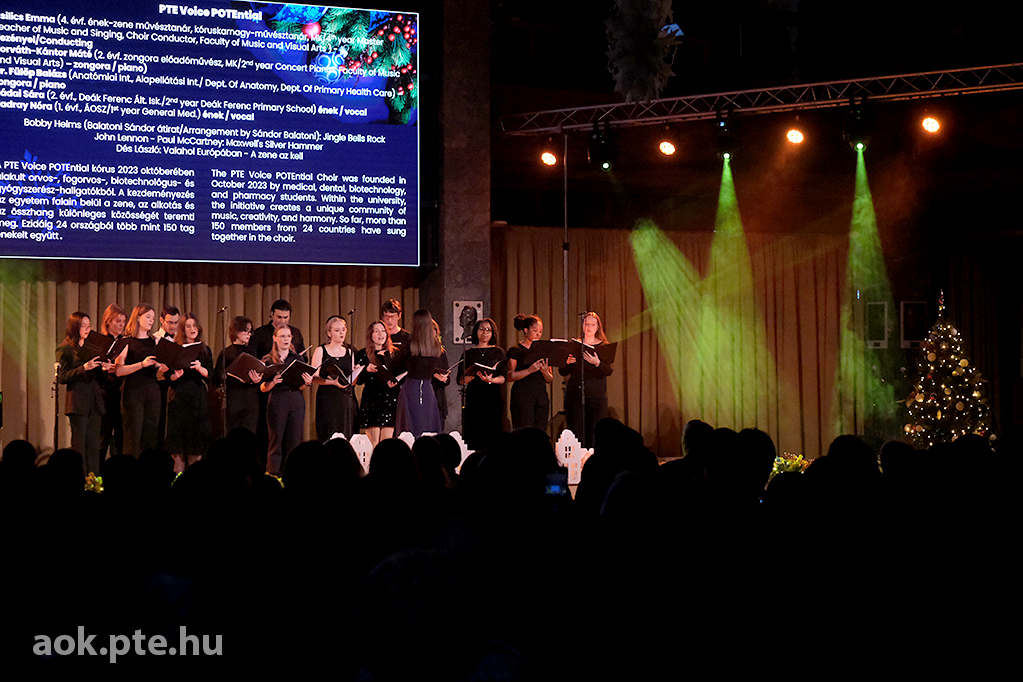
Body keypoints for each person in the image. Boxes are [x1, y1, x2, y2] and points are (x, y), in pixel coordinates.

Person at [56, 311, 111, 474]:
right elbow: (62, 377)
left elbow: (97, 377)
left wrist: (104, 368)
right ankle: (79, 479)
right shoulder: (65, 348)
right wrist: (83, 368)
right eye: (84, 326)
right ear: (75, 327)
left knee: (94, 445)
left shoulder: (91, 348)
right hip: (78, 403)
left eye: (89, 326)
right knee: (79, 446)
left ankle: (94, 480)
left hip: (95, 402)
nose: (88, 329)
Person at [115, 304, 169, 457]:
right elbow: (119, 370)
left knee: (150, 437)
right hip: (133, 392)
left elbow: (159, 367)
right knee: (133, 437)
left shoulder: (155, 341)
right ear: (138, 318)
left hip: (152, 391)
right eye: (148, 317)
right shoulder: (127, 342)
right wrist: (141, 364)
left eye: (153, 318)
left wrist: (162, 367)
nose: (151, 320)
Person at [260, 324, 313, 476]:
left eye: (288, 336)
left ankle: (294, 473)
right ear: (274, 338)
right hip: (278, 399)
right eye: (282, 336)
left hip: (296, 400)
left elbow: (301, 385)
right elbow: (262, 387)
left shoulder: (297, 359)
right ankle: (273, 473)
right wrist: (273, 382)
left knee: (295, 439)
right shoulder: (268, 360)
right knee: (276, 439)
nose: (286, 339)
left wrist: (307, 382)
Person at [165, 313, 214, 468]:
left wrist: (200, 368)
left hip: (197, 397)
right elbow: (167, 376)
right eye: (188, 326)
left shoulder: (204, 349)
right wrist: (175, 375)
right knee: (178, 444)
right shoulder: (174, 348)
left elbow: (212, 376)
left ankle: (194, 477)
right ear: (182, 329)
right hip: (178, 396)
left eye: (195, 325)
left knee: (196, 442)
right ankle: (178, 478)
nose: (192, 329)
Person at [560, 312, 613, 448]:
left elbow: (608, 371)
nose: (589, 327)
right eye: (586, 324)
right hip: (575, 395)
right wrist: (567, 363)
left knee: (594, 431)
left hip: (595, 396)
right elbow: (563, 371)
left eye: (592, 324)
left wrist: (597, 363)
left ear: (598, 327)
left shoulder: (604, 346)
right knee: (576, 430)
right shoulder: (574, 345)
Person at [395, 309, 450, 438]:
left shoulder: (410, 345)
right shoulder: (436, 347)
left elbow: (396, 363)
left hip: (411, 387)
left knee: (410, 426)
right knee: (427, 423)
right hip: (427, 388)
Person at [457, 318, 506, 452]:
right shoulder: (468, 353)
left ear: (493, 333)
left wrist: (491, 380)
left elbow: (503, 377)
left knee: (493, 433)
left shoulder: (498, 352)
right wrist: (473, 376)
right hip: (474, 396)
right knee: (474, 434)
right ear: (476, 331)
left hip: (493, 396)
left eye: (488, 330)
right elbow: (460, 380)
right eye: (482, 329)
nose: (485, 333)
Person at [311, 315, 358, 441]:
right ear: (329, 333)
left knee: (346, 434)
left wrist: (356, 372)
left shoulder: (350, 352)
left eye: (343, 329)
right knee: (329, 434)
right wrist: (331, 382)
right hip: (327, 399)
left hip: (345, 399)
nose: (341, 333)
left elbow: (352, 381)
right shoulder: (321, 350)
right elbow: (314, 378)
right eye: (337, 330)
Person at [356, 320, 400, 447]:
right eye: (376, 331)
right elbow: (358, 381)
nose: (380, 334)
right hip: (371, 400)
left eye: (383, 331)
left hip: (390, 400)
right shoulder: (363, 354)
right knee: (373, 444)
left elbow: (400, 374)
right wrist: (366, 370)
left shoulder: (394, 354)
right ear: (370, 335)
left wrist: (395, 381)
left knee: (387, 444)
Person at [214, 316, 261, 434]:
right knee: (233, 433)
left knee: (250, 432)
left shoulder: (252, 351)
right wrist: (238, 379)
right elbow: (218, 378)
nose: (249, 334)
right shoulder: (226, 353)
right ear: (236, 331)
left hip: (251, 397)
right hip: (234, 397)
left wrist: (257, 379)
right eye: (246, 331)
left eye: (250, 332)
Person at [506, 314, 554, 431]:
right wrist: (529, 370)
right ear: (526, 330)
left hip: (540, 395)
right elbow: (509, 376)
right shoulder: (516, 350)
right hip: (522, 394)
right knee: (523, 430)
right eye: (535, 331)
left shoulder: (544, 350)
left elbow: (550, 379)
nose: (538, 334)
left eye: (540, 331)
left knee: (540, 430)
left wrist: (545, 372)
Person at [98, 303, 127, 459]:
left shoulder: (125, 342)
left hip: (122, 395)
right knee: (103, 439)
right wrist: (104, 367)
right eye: (118, 321)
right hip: (105, 395)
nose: (121, 325)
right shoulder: (100, 342)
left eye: (123, 321)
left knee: (121, 440)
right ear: (108, 321)